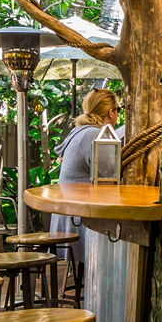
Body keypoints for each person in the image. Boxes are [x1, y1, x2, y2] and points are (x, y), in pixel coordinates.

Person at [52, 89, 120, 235]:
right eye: (118, 110)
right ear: (111, 113)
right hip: (77, 221)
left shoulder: (80, 131)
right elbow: (112, 176)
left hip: (66, 214)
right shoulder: (95, 135)